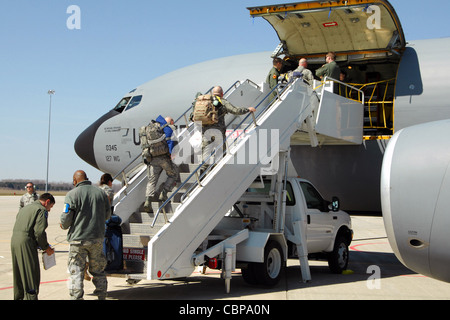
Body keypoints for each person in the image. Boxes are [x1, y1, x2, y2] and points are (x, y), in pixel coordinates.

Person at [60, 170, 111, 300]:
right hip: (97, 239)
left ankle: (77, 298)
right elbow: (107, 215)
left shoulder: (72, 194)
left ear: (75, 180)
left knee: (76, 271)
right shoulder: (101, 193)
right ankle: (101, 296)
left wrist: (63, 225)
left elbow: (65, 220)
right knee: (98, 270)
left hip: (78, 240)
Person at [198, 86, 256, 174]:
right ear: (222, 93)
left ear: (213, 93)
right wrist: (247, 109)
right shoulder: (222, 101)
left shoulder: (206, 102)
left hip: (205, 131)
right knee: (221, 154)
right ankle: (215, 173)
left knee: (206, 154)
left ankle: (202, 172)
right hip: (218, 133)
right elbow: (235, 110)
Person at [11, 193, 55, 300]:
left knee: (19, 277)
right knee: (30, 276)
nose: (49, 210)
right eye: (51, 207)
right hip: (26, 243)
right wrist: (46, 247)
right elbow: (39, 232)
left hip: (14, 241)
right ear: (47, 202)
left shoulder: (25, 208)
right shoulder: (41, 210)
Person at [141, 116, 179, 212]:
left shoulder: (149, 128)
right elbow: (170, 142)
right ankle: (164, 192)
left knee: (152, 181)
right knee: (173, 175)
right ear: (170, 122)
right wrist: (171, 154)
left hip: (153, 159)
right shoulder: (166, 128)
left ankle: (147, 201)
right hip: (164, 158)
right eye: (172, 122)